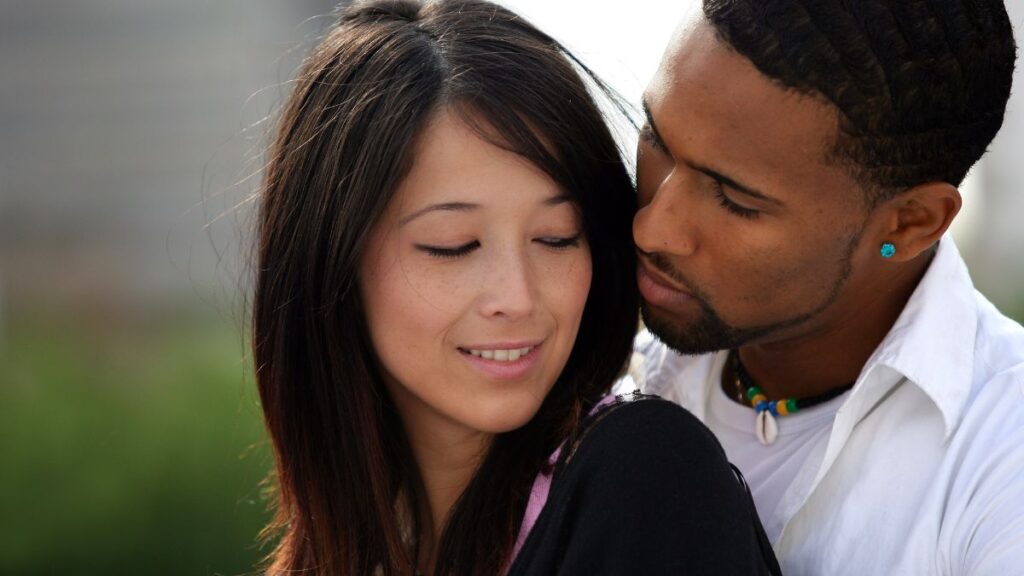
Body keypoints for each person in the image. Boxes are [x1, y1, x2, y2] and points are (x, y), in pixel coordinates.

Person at [251, 0, 779, 574]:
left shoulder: (642, 476)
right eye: (453, 245)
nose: (518, 297)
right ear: (333, 260)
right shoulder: (349, 550)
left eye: (557, 238)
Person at [631, 0, 1022, 574]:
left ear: (909, 223)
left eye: (735, 201)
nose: (651, 227)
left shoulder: (1002, 460)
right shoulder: (588, 365)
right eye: (655, 138)